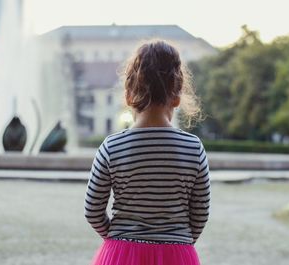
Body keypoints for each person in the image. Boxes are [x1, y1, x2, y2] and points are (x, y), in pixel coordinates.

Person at [84, 40, 210, 265]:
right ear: (177, 95)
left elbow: (93, 210)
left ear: (129, 95)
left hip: (121, 251)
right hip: (177, 253)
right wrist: (178, 241)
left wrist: (118, 238)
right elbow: (200, 215)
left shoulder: (111, 147)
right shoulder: (193, 148)